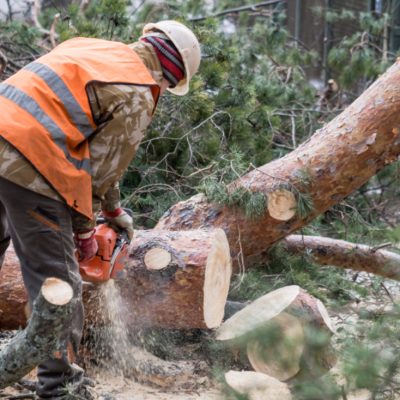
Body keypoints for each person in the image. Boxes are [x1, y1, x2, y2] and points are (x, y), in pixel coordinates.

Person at [0, 20, 201, 399]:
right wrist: (85, 231)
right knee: (57, 283)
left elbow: (99, 156)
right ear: (171, 75)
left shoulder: (94, 49)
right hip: (30, 160)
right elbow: (99, 171)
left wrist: (113, 211)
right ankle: (60, 387)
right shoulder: (139, 92)